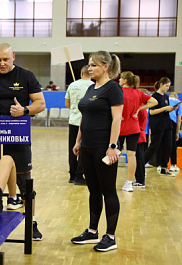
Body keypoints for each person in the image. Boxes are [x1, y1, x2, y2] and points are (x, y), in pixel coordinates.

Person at [0, 42, 46, 241]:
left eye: (5, 59)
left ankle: (32, 222)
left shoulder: (26, 76)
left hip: (17, 135)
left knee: (25, 183)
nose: (2, 63)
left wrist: (24, 110)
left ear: (14, 57)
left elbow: (40, 103)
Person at [71, 50, 123, 252]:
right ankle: (92, 231)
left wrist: (112, 146)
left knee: (108, 191)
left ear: (105, 67)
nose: (89, 68)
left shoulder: (113, 89)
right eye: (89, 65)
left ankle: (110, 236)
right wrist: (78, 141)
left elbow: (117, 119)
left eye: (93, 65)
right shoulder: (91, 88)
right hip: (87, 148)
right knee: (93, 190)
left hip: (104, 148)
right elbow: (85, 116)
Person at [118, 71, 158, 192]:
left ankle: (107, 181)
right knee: (132, 155)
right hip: (134, 128)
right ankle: (130, 183)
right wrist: (140, 107)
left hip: (119, 127)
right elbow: (155, 102)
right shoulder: (139, 93)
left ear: (125, 81)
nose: (119, 80)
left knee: (114, 153)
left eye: (120, 78)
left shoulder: (118, 91)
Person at [144, 78, 178, 176]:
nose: (168, 88)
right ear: (161, 84)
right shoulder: (154, 96)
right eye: (166, 86)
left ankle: (164, 167)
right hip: (157, 125)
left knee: (168, 146)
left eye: (169, 86)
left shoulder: (166, 97)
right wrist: (165, 108)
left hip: (167, 123)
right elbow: (151, 112)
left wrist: (171, 109)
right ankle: (141, 164)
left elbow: (164, 110)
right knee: (154, 146)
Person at [65, 65, 93, 185]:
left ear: (81, 73)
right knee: (84, 149)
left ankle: (72, 174)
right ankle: (79, 175)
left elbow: (67, 104)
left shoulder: (72, 85)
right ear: (90, 74)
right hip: (87, 122)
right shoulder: (93, 86)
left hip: (73, 121)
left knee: (72, 148)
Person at [134, 89, 152, 188]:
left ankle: (140, 180)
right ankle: (139, 179)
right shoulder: (140, 107)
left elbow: (142, 124)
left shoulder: (141, 108)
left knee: (139, 159)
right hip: (139, 134)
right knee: (139, 158)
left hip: (139, 135)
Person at [168, 92, 182, 172]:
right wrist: (177, 132)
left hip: (163, 121)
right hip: (172, 122)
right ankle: (173, 165)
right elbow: (179, 119)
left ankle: (161, 165)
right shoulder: (178, 102)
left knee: (164, 143)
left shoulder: (166, 100)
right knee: (173, 144)